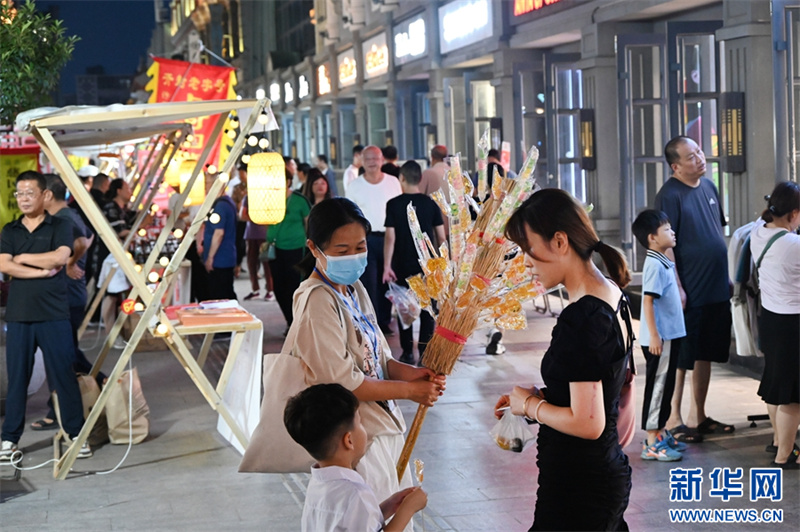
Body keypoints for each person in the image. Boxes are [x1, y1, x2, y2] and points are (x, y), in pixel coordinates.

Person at [291, 197, 445, 516]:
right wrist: (409, 391)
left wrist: (414, 375)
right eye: (342, 251)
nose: (354, 257)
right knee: (373, 518)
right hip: (355, 441)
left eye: (360, 247)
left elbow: (380, 360)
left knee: (389, 511)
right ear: (314, 248)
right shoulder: (316, 301)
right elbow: (343, 382)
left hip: (382, 427)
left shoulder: (354, 288)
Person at [495, 188, 632, 530]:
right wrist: (542, 396)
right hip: (598, 474)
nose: (525, 263)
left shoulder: (582, 317)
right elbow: (601, 384)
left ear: (559, 241)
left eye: (528, 249)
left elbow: (588, 423)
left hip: (579, 486)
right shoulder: (611, 294)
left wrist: (530, 407)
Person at [0, 171, 92, 462]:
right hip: (20, 315)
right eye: (20, 193)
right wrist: (39, 272)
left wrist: (23, 258)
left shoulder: (60, 225)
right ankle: (9, 439)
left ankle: (76, 435)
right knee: (18, 379)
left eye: (30, 193)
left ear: (44, 195)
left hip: (54, 313)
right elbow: (4, 265)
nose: (24, 199)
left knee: (63, 374)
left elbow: (60, 257)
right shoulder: (10, 230)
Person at [655, 136, 734, 444]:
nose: (700, 159)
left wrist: (725, 275)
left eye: (699, 152)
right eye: (690, 157)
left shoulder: (710, 187)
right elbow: (665, 245)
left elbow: (717, 233)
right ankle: (673, 418)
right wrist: (676, 285)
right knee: (682, 356)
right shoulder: (669, 195)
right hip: (690, 289)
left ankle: (697, 416)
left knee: (706, 354)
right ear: (675, 166)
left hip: (715, 286)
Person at [284, 383, 428, 532]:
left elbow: (351, 522)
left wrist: (388, 506)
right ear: (349, 440)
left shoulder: (318, 485)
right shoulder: (356, 494)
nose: (363, 428)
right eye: (360, 423)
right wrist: (408, 509)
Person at [31, 175, 106, 431]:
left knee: (61, 355)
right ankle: (101, 384)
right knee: (66, 353)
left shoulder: (64, 218)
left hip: (65, 297)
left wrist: (71, 263)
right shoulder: (68, 215)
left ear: (48, 195)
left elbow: (83, 242)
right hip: (66, 296)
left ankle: (60, 409)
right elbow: (90, 237)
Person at [750, 181, 800, 469]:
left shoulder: (758, 232)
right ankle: (784, 456)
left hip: (770, 320)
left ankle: (779, 441)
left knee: (776, 385)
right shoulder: (792, 245)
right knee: (792, 397)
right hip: (793, 324)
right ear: (793, 213)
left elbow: (764, 217)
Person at [631, 209, 687, 462]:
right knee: (659, 388)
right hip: (661, 339)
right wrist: (654, 336)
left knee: (666, 387)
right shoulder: (654, 264)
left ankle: (661, 432)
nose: (672, 232)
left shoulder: (662, 260)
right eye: (666, 229)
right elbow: (648, 302)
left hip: (669, 336)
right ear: (652, 238)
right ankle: (652, 441)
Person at [383, 161, 444, 365]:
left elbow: (390, 238)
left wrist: (387, 266)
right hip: (427, 266)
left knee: (405, 308)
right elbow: (441, 237)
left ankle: (407, 352)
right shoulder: (430, 204)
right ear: (420, 178)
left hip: (402, 264)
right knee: (428, 310)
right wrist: (443, 264)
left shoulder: (393, 204)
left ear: (401, 178)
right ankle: (425, 353)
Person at [346, 145, 402, 336]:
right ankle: (371, 321)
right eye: (368, 158)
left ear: (382, 160)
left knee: (387, 281)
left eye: (375, 158)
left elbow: (400, 210)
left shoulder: (393, 182)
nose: (372, 162)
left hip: (390, 238)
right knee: (368, 282)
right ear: (361, 161)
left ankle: (385, 321)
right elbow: (350, 217)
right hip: (365, 240)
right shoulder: (355, 186)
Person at [267, 169, 312, 332]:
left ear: (288, 181)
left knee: (294, 286)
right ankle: (290, 320)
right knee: (278, 287)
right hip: (274, 248)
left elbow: (309, 223)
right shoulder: (267, 199)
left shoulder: (300, 200)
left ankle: (296, 323)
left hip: (296, 248)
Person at [201, 171, 238, 301]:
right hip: (225, 256)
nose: (206, 187)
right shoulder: (224, 203)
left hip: (220, 258)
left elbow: (219, 233)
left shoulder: (221, 206)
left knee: (221, 294)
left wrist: (210, 257)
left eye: (208, 183)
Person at [240, 189, 274, 302]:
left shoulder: (270, 196)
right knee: (252, 263)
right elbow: (242, 215)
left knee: (267, 263)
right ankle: (255, 290)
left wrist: (255, 217)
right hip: (251, 234)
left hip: (264, 234)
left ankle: (270, 290)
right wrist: (258, 218)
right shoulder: (248, 197)